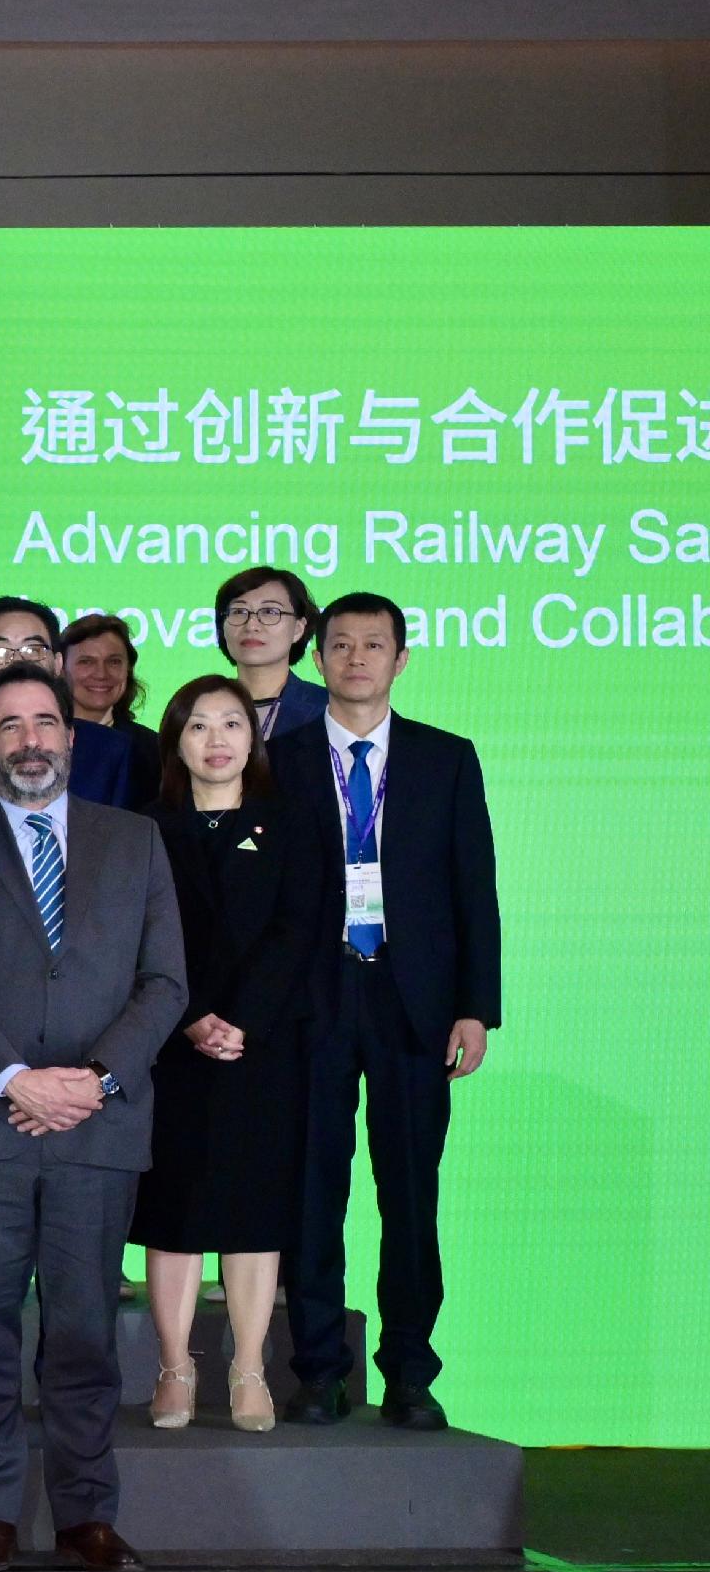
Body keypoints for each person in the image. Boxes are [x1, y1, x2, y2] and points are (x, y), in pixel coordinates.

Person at [0, 663, 183, 1572]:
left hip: (97, 1127)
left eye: (44, 722)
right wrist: (16, 1080)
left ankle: (86, 1515)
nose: (29, 741)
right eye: (9, 725)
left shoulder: (135, 839)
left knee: (84, 1332)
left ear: (72, 736)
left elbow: (164, 983)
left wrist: (93, 1082)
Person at [273, 593, 497, 1432]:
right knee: (311, 1193)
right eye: (341, 645)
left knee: (409, 1193)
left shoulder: (446, 758)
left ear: (401, 660)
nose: (357, 658)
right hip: (314, 998)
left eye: (374, 645)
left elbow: (474, 886)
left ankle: (409, 1370)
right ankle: (317, 1369)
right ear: (318, 657)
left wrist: (475, 1008)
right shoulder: (281, 760)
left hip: (415, 1003)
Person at [133, 676, 327, 1437]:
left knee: (253, 1210)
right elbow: (140, 939)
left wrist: (242, 1019)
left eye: (232, 724)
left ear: (254, 739)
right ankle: (174, 1368)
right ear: (175, 742)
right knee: (174, 1213)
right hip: (172, 1045)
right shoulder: (143, 829)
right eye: (198, 726)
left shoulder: (293, 823)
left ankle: (250, 1367)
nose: (216, 740)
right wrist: (189, 1019)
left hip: (262, 1046)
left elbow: (299, 931)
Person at [0, 598, 135, 810]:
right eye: (0, 652)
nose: (17, 663)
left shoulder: (108, 751)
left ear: (58, 664)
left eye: (33, 650)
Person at [214, 564, 329, 740]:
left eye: (269, 611)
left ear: (298, 629)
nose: (251, 625)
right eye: (239, 611)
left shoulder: (328, 708)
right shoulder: (198, 706)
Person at [61, 613, 162, 809]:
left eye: (114, 662)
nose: (101, 674)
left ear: (128, 670)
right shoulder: (41, 741)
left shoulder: (154, 750)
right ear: (61, 669)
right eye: (86, 662)